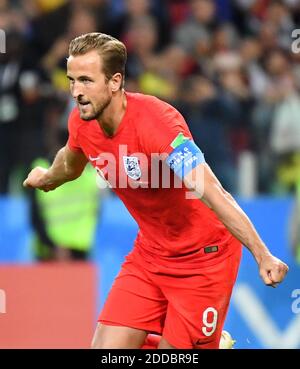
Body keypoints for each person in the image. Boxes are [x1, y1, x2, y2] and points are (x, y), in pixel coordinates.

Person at [23, 32, 289, 349]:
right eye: (71, 80)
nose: (76, 92)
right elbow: (71, 159)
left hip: (204, 259)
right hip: (151, 254)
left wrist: (262, 255)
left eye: (86, 81)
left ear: (114, 81)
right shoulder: (82, 122)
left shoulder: (158, 124)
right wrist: (47, 177)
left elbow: (213, 192)